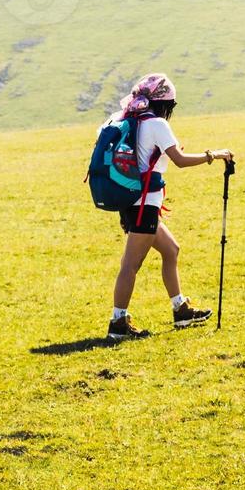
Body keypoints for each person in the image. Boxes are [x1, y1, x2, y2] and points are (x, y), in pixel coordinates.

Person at [95, 74, 234, 340]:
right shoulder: (156, 124)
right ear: (164, 103)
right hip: (144, 205)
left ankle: (180, 309)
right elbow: (179, 160)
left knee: (171, 250)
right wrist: (213, 155)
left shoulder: (122, 119)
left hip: (130, 201)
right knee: (130, 265)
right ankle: (117, 324)